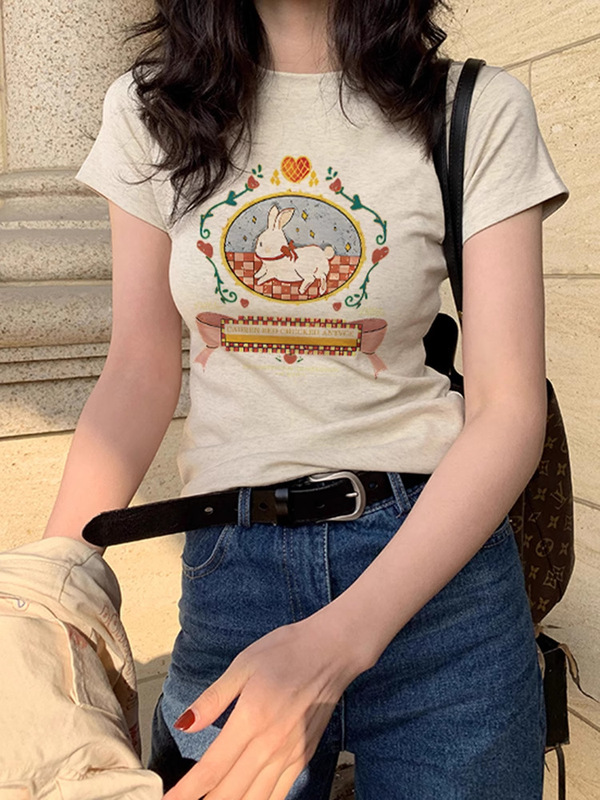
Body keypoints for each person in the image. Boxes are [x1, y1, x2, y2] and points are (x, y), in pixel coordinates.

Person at [43, 0, 569, 798]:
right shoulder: (151, 109)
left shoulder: (472, 106)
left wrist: (341, 640)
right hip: (233, 572)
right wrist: (51, 592)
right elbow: (139, 372)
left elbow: (509, 410)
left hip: (437, 580)